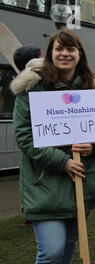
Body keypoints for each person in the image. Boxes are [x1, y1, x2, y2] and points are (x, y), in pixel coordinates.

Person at [11, 29, 95, 264]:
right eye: (59, 48)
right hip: (45, 183)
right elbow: (24, 136)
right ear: (51, 54)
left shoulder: (92, 89)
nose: (65, 53)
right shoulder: (33, 86)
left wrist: (93, 146)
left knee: (67, 245)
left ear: (80, 55)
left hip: (80, 183)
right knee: (51, 250)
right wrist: (62, 161)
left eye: (71, 48)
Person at [12, 44, 41, 227]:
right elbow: (23, 134)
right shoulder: (29, 88)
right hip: (36, 145)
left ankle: (29, 211)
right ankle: (29, 212)